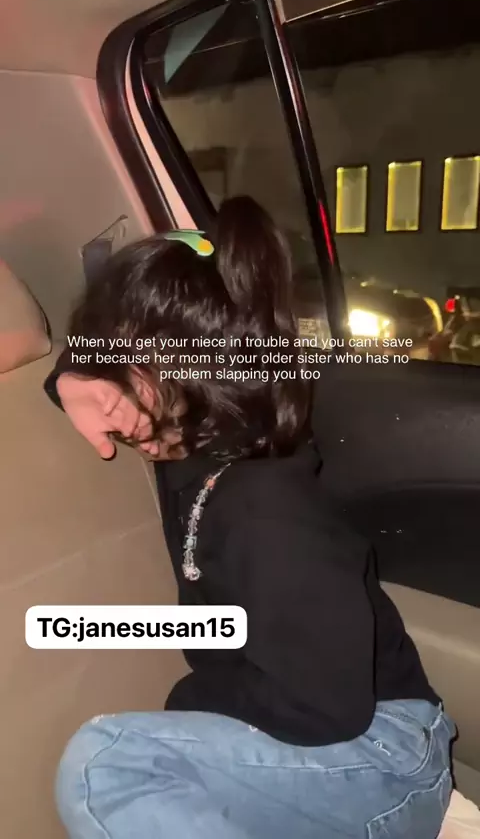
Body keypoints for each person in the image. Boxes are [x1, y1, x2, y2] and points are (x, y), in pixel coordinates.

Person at [46, 197, 454, 839]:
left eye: (123, 374)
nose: (113, 406)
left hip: (382, 755)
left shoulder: (267, 511)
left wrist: (189, 703)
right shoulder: (190, 440)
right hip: (322, 737)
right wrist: (70, 381)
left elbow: (327, 708)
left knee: (106, 766)